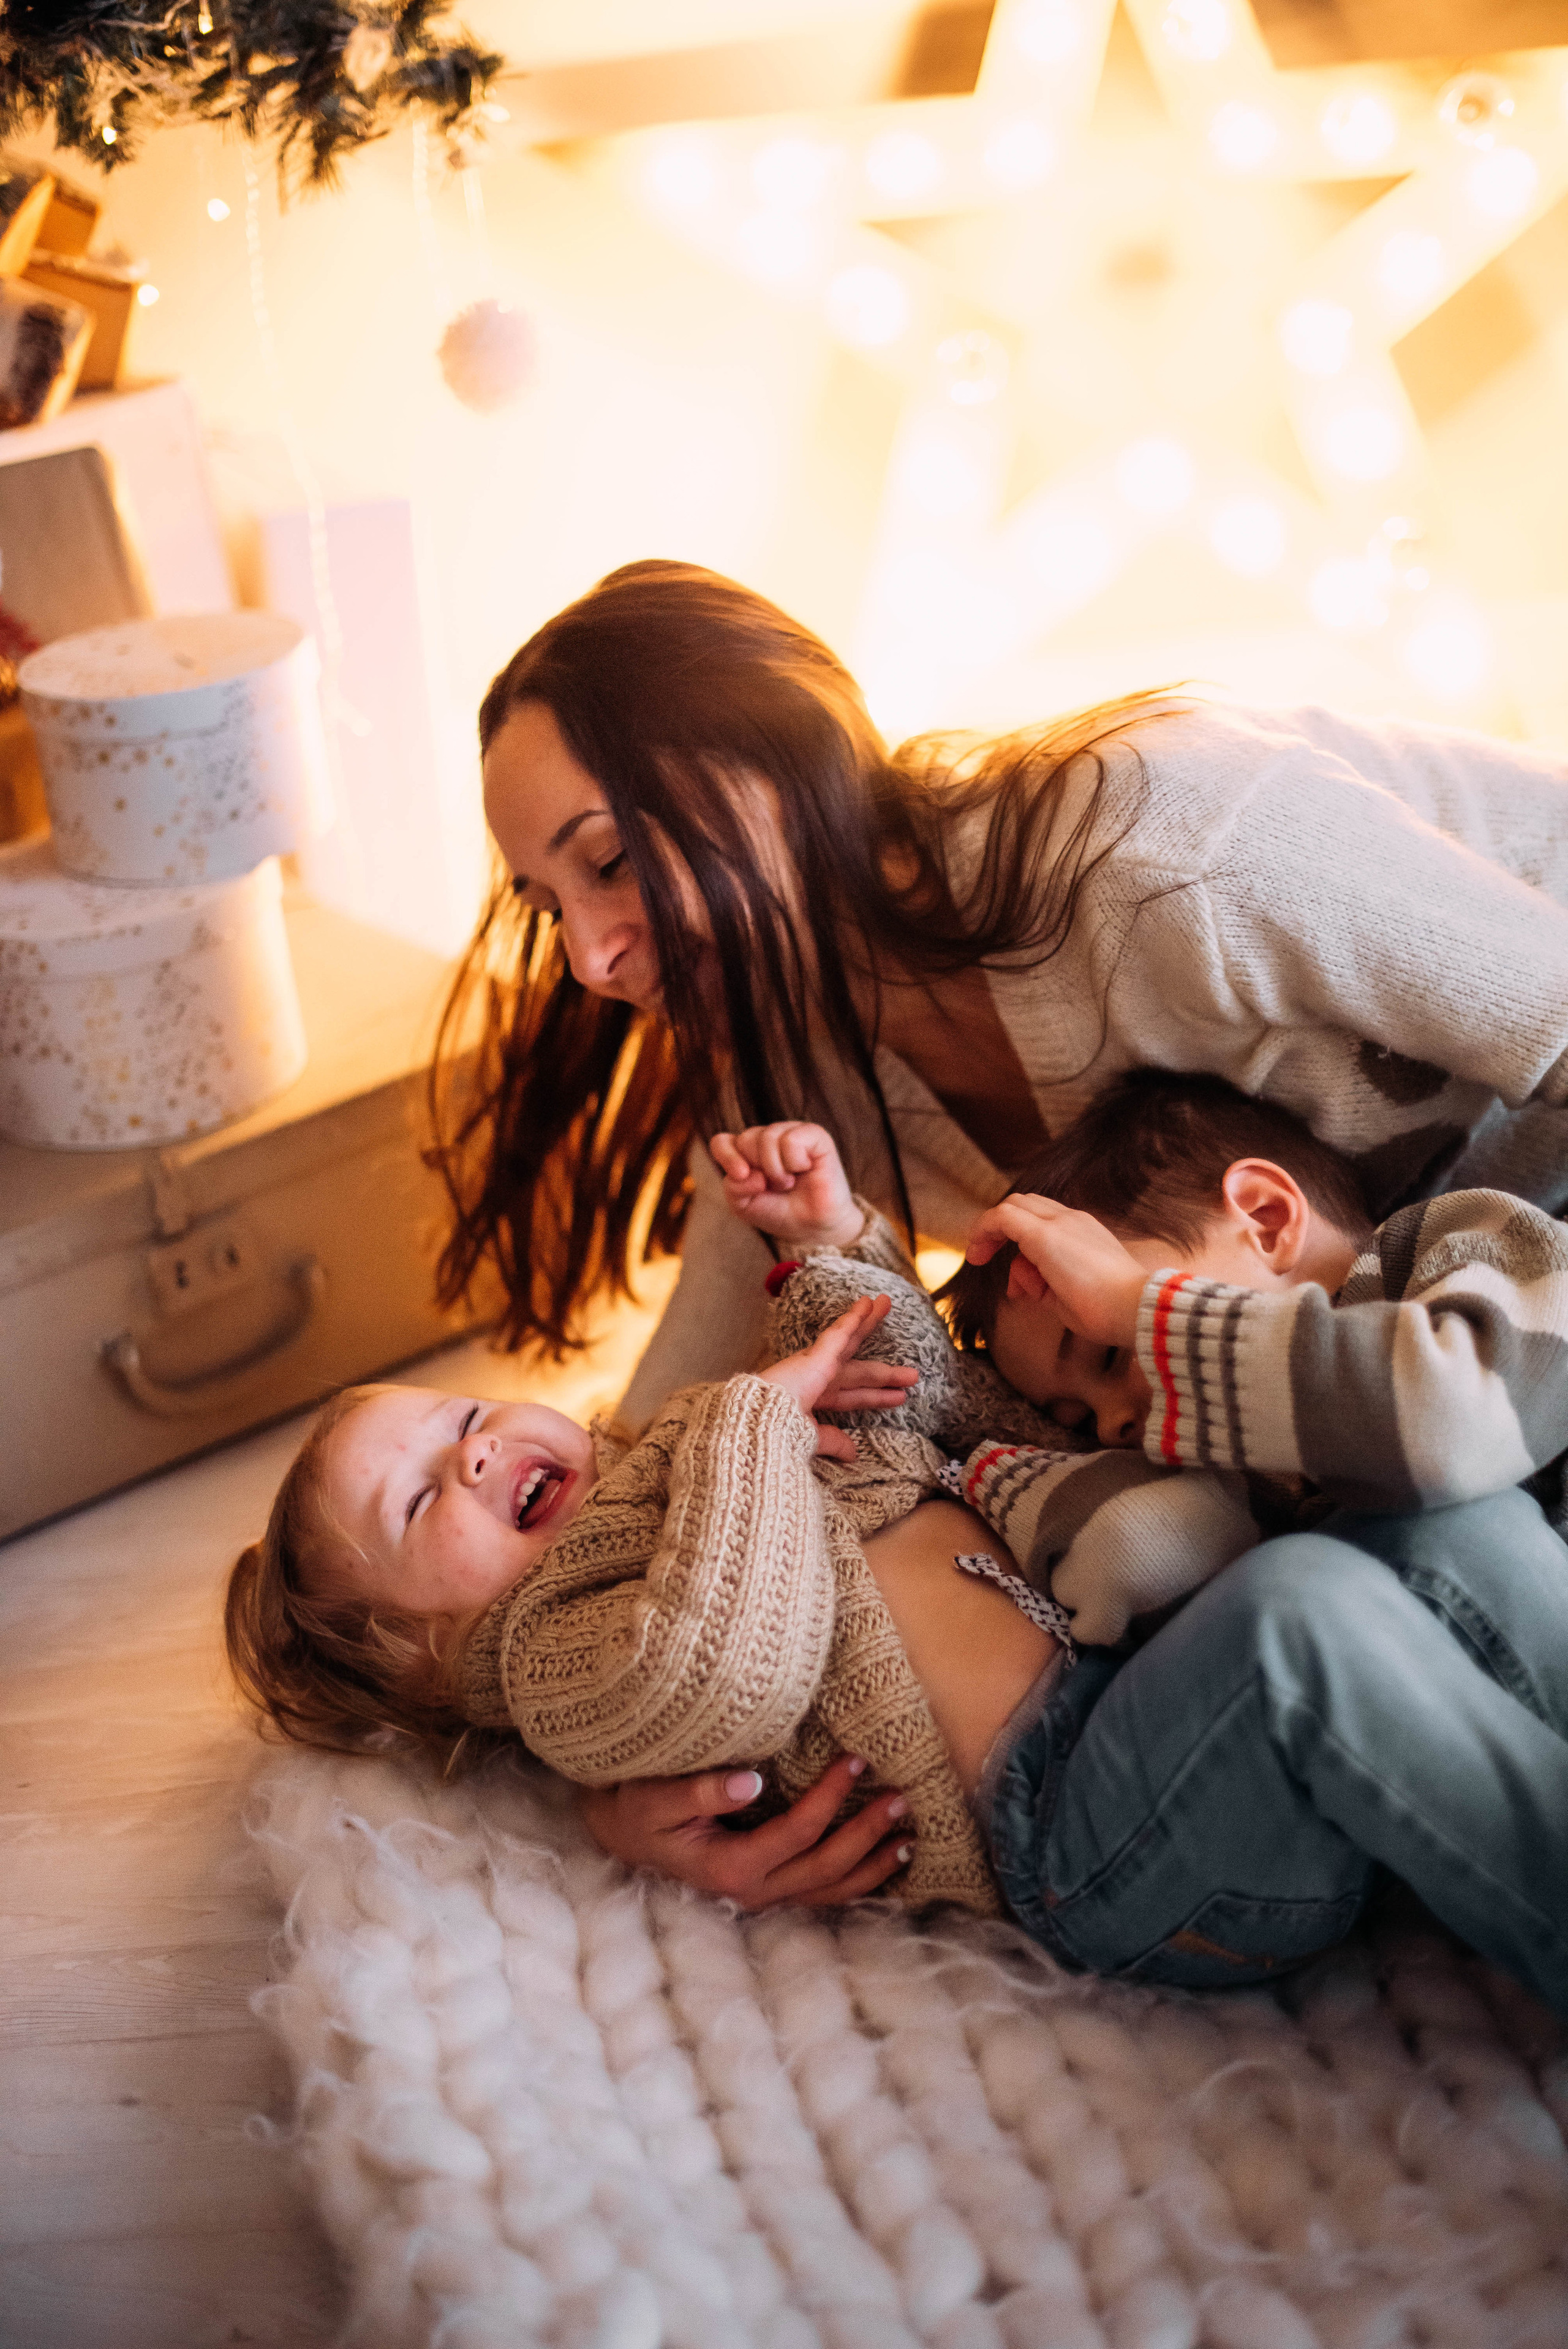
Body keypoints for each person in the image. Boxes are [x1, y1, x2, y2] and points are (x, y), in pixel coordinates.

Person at [429, 555, 1568, 1902]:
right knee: (1357, 1599)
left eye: (609, 864)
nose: (587, 961)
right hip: (1414, 1389)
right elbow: (689, 1419)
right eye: (549, 909)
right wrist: (624, 1783)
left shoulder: (1158, 845)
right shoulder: (788, 1069)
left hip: (1514, 1277)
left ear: (767, 756)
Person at [225, 1118, 1568, 2011]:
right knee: (1300, 1613)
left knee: (1447, 1524)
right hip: (1094, 1839)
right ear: (436, 1657)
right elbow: (715, 1667)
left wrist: (829, 1252)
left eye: (462, 1419)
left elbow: (917, 1398)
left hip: (1161, 1706)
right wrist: (750, 1421)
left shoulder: (691, 1450)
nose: (468, 1457)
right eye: (416, 1505)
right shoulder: (562, 1652)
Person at [937, 1067, 1568, 1644]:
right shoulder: (1253, 1476)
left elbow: (1451, 1419)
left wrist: (1135, 1305)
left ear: (1264, 1220)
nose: (1109, 1426)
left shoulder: (1472, 1242)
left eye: (1107, 1352)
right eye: (1076, 1419)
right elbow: (1132, 1559)